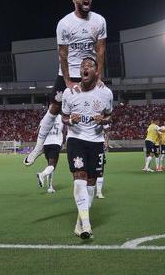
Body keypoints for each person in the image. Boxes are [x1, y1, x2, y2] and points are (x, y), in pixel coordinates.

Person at [23, 0, 107, 166]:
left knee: (95, 108)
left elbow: (100, 50)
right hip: (68, 74)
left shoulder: (99, 20)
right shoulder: (65, 23)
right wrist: (67, 80)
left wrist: (99, 76)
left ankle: (96, 148)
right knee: (54, 108)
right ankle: (38, 147)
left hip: (89, 73)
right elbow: (62, 53)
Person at [61, 57, 113, 239]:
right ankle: (87, 225)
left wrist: (103, 120)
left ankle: (80, 223)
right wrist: (70, 120)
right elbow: (63, 118)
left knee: (91, 183)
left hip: (96, 141)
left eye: (89, 65)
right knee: (79, 177)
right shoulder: (70, 93)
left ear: (96, 71)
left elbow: (109, 117)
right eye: (82, 66)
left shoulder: (105, 93)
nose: (85, 68)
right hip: (76, 139)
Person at [36, 115, 64, 194]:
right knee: (52, 165)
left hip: (46, 144)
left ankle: (50, 187)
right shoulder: (61, 117)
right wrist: (63, 142)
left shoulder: (45, 117)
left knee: (50, 165)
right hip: (55, 142)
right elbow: (64, 130)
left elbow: (38, 131)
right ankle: (42, 175)